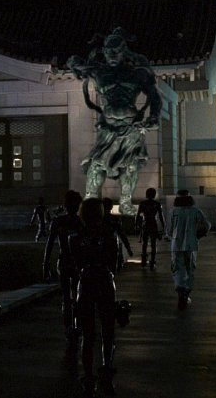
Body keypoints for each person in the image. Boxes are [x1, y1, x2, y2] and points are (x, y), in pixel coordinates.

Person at [67, 27, 162, 216]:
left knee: (131, 165)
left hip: (131, 127)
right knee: (97, 164)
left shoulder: (137, 73)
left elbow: (154, 96)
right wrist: (74, 63)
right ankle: (91, 199)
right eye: (108, 52)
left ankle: (126, 201)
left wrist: (153, 117)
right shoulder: (98, 72)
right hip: (108, 128)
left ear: (124, 51)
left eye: (116, 52)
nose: (112, 56)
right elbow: (75, 64)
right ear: (103, 51)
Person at [69, 197, 119, 397]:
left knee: (88, 333)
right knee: (108, 329)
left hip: (86, 280)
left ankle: (88, 375)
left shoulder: (76, 237)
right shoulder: (109, 235)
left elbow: (76, 264)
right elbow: (114, 263)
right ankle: (107, 367)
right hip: (105, 280)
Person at [42, 190, 84, 358]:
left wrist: (46, 264)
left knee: (67, 297)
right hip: (75, 263)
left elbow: (50, 244)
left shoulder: (60, 221)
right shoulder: (80, 222)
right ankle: (75, 325)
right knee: (76, 296)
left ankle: (69, 327)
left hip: (66, 262)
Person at [169, 190, 210, 310]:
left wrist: (173, 236)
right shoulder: (195, 211)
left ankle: (180, 292)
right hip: (191, 244)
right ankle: (186, 293)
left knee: (178, 269)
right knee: (190, 269)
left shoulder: (173, 211)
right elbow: (207, 225)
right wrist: (199, 235)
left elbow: (169, 230)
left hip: (176, 245)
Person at [135, 188, 166, 271]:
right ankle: (152, 261)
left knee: (144, 243)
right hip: (153, 224)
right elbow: (161, 216)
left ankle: (144, 261)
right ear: (154, 194)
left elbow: (138, 215)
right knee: (153, 244)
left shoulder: (142, 203)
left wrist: (136, 224)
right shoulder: (157, 204)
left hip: (145, 224)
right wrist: (164, 226)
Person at [102, 197, 133, 272]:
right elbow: (122, 234)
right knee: (112, 268)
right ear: (111, 207)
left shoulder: (97, 219)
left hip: (101, 246)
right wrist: (128, 248)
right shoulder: (114, 219)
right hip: (112, 245)